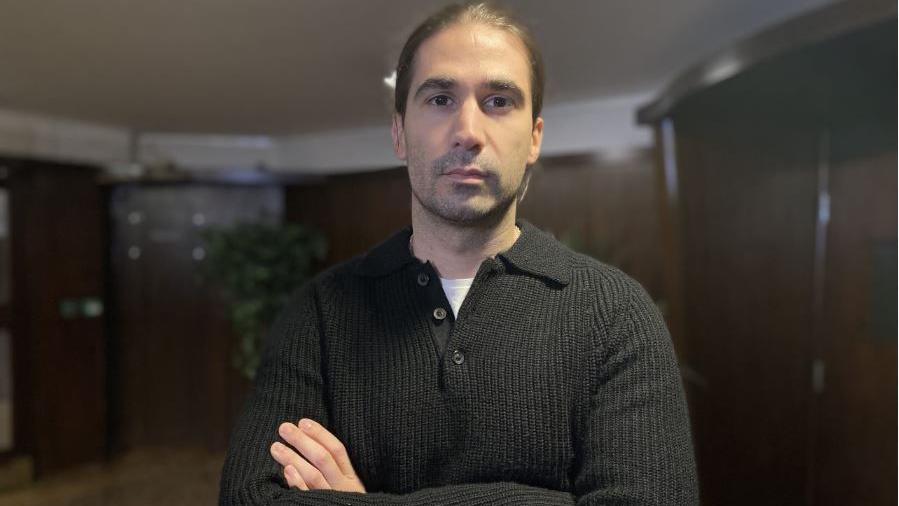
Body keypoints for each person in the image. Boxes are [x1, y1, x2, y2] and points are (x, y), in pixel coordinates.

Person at [219, 2, 698, 504]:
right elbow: (249, 497)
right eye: (441, 98)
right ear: (400, 133)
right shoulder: (317, 315)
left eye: (498, 101)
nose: (468, 131)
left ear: (534, 137)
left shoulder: (617, 314)